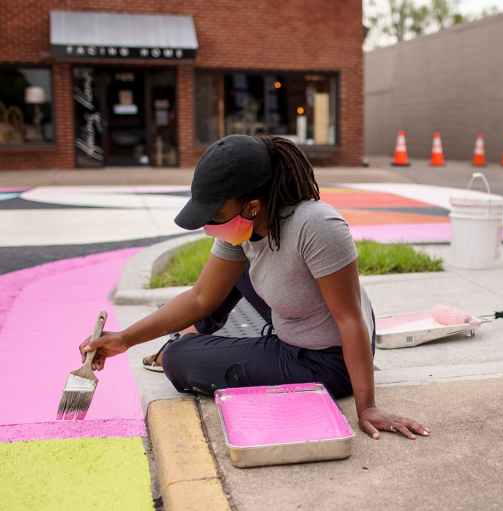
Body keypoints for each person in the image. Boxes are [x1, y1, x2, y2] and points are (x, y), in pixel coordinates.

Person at [80, 134, 428, 441]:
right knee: (228, 279)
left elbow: (350, 319)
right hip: (294, 322)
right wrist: (124, 339)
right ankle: (192, 334)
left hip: (325, 359)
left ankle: (186, 344)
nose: (208, 225)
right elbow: (201, 297)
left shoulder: (317, 226)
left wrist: (367, 406)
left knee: (179, 360)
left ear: (253, 206)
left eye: (214, 214)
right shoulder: (243, 231)